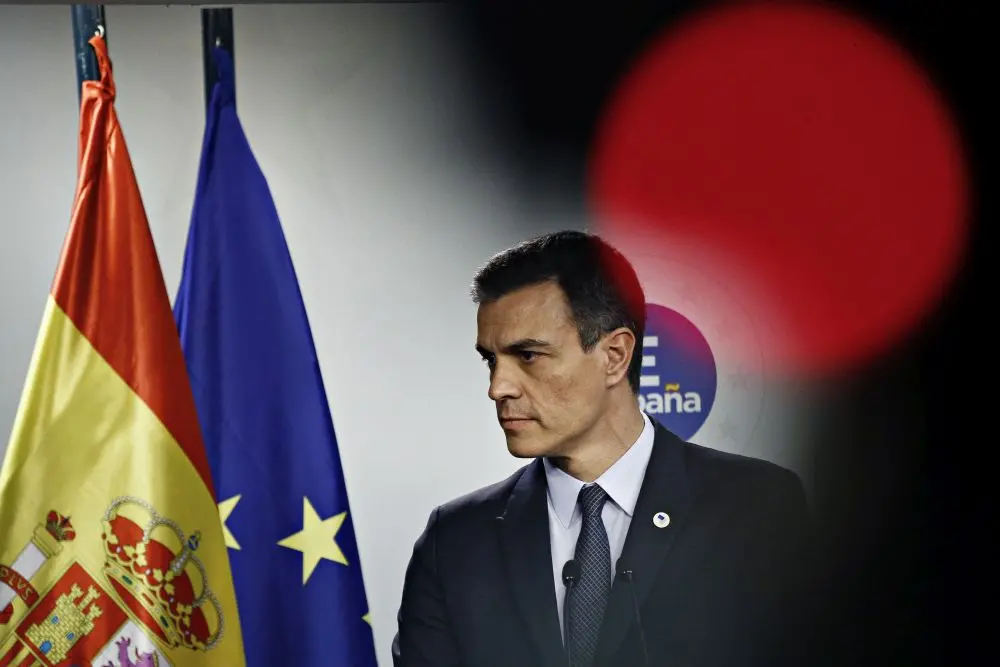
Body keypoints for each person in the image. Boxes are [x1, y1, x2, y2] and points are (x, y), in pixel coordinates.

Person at [391, 230, 814, 667]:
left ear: (614, 355)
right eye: (491, 360)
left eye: (529, 356)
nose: (498, 387)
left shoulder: (757, 508)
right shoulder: (454, 542)